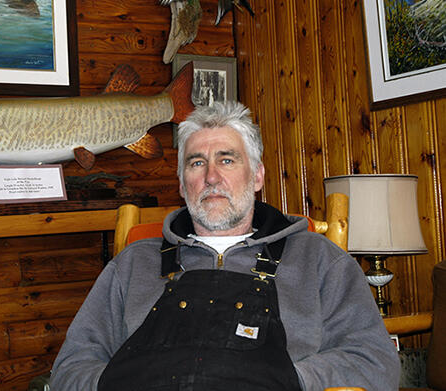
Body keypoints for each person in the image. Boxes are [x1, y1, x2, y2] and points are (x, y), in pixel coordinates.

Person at [50, 101, 400, 391]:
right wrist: (120, 382)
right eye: (196, 162)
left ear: (258, 175)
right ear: (182, 184)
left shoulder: (319, 259)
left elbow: (374, 360)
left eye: (227, 159)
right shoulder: (132, 264)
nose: (212, 177)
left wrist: (290, 380)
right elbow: (71, 366)